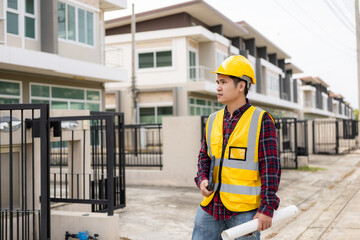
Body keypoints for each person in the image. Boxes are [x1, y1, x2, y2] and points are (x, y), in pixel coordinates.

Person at [192, 55, 281, 240]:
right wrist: (201, 179)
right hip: (211, 208)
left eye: (223, 82)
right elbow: (204, 157)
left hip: (244, 213)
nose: (217, 87)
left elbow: (270, 167)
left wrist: (267, 208)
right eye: (217, 82)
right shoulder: (212, 120)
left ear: (241, 86)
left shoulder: (261, 119)